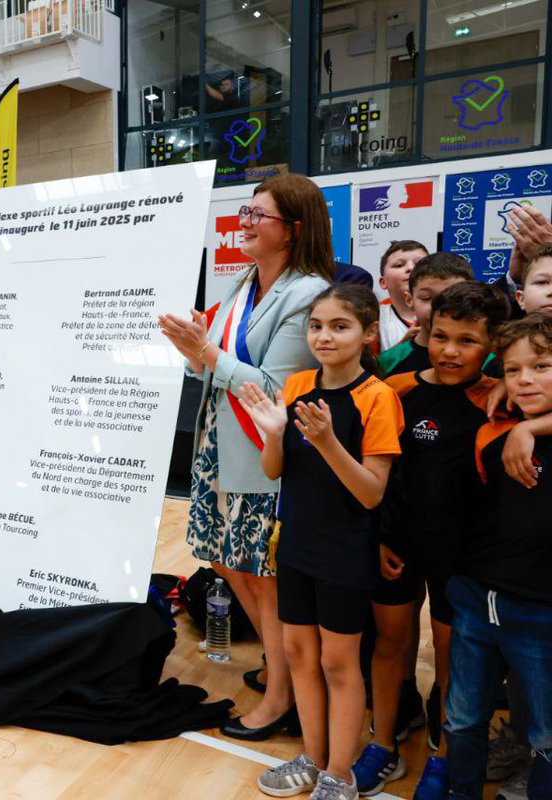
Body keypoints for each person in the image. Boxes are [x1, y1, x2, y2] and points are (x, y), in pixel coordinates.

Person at [159, 173, 333, 742]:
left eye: (260, 214)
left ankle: (282, 697)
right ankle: (282, 668)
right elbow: (208, 367)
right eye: (246, 210)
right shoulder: (242, 284)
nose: (246, 221)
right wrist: (194, 349)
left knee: (264, 580)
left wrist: (205, 350)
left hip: (263, 454)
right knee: (233, 567)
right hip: (216, 446)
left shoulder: (307, 293)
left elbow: (273, 389)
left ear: (294, 228)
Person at [238, 284, 403, 800]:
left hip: (344, 549)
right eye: (316, 326)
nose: (324, 336)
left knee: (337, 662)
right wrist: (271, 437)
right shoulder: (298, 385)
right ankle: (312, 755)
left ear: (368, 333)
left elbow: (372, 493)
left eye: (339, 326)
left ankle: (341, 771)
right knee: (297, 652)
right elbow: (276, 472)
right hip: (296, 544)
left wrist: (329, 442)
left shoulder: (378, 398)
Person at [353, 282, 510, 796]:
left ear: (492, 345)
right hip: (396, 544)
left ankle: (442, 756)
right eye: (441, 336)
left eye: (466, 341)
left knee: (449, 656)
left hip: (460, 557)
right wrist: (377, 538)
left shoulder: (497, 399)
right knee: (390, 645)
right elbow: (373, 472)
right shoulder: (395, 390)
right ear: (425, 332)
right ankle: (382, 744)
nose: (448, 350)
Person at [444, 313, 552, 800]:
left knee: (547, 736)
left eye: (542, 366)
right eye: (513, 369)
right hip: (474, 598)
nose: (525, 379)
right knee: (463, 718)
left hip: (540, 611)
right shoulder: (496, 419)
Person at [378, 253, 476, 376]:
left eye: (453, 297)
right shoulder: (388, 361)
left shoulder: (486, 358)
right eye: (427, 298)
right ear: (409, 300)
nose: (439, 307)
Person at [377, 241, 428, 352]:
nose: (411, 268)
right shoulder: (374, 318)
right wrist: (404, 346)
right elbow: (371, 366)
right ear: (383, 282)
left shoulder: (447, 314)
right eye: (399, 265)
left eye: (419, 264)